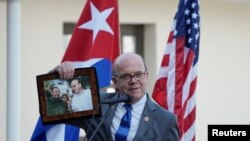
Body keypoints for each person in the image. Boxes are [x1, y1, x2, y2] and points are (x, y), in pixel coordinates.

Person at [50, 53, 180, 141]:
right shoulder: (96, 103)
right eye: (125, 76)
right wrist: (54, 77)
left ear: (146, 76)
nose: (133, 80)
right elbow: (50, 111)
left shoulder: (166, 120)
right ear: (115, 81)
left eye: (138, 74)